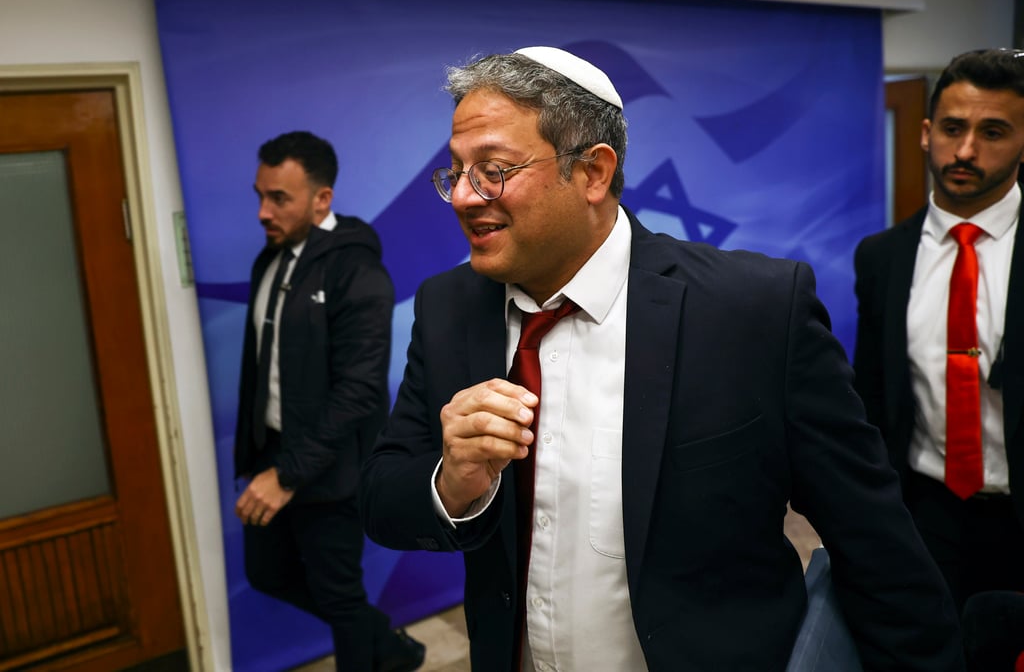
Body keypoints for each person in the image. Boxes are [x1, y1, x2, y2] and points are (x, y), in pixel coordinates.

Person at [360, 47, 963, 670]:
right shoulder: (448, 307)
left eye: (494, 169)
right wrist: (451, 483)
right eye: (455, 171)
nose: (462, 197)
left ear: (593, 173)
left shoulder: (753, 311)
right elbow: (383, 498)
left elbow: (873, 543)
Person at [234, 131, 424, 671]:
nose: (262, 212)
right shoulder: (268, 261)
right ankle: (389, 647)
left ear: (322, 199)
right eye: (260, 195)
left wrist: (287, 475)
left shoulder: (357, 271)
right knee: (267, 573)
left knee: (340, 598)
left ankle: (377, 650)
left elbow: (360, 390)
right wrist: (263, 460)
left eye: (279, 198)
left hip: (331, 468)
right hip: (275, 454)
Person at [853, 49, 1024, 616]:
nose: (967, 150)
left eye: (993, 132)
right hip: (925, 511)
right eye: (953, 129)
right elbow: (872, 398)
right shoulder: (881, 258)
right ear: (927, 133)